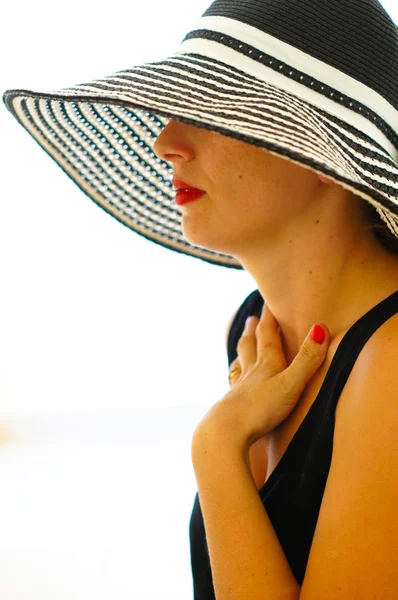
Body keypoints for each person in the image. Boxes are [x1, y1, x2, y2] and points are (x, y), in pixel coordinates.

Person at [3, 0, 398, 598]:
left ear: (322, 154)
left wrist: (216, 450)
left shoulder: (390, 363)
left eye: (212, 113)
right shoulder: (254, 330)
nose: (166, 142)